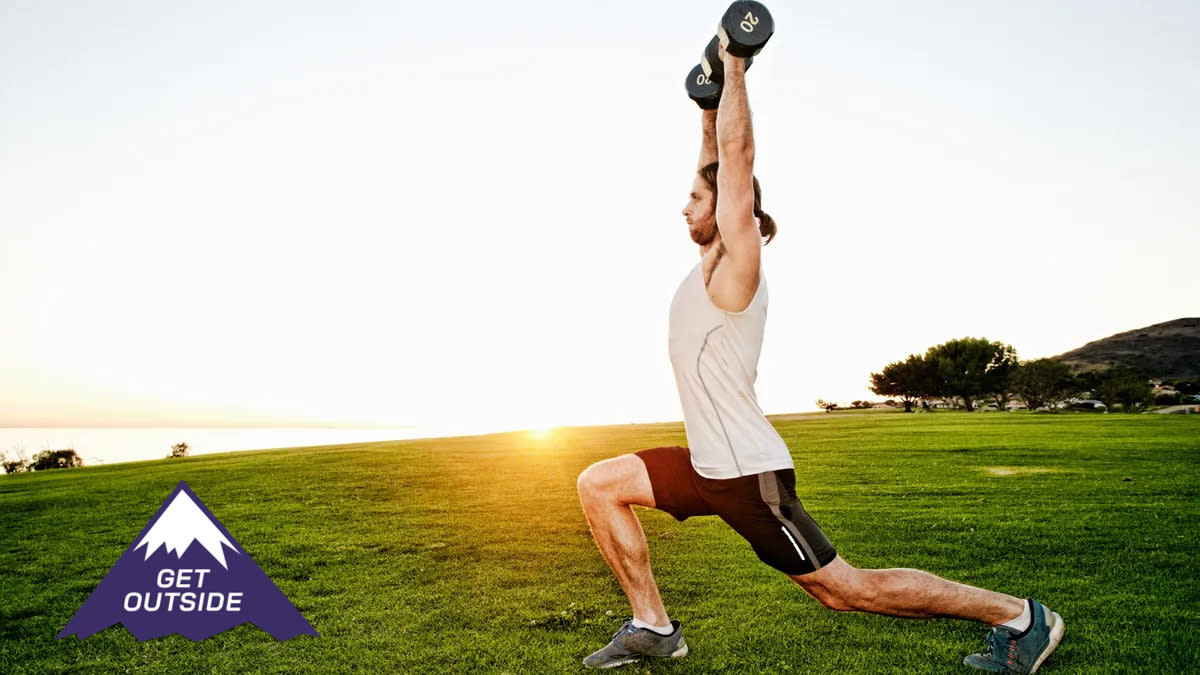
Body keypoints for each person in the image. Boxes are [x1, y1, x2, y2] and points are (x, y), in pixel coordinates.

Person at [575, 45, 1064, 673]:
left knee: (843, 590)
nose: (685, 205)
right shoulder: (706, 267)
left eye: (698, 199)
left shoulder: (737, 268)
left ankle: (1021, 617)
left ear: (731, 208)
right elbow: (719, 162)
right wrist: (706, 110)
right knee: (600, 484)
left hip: (748, 474)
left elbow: (736, 165)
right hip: (707, 464)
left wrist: (735, 67)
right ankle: (653, 627)